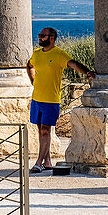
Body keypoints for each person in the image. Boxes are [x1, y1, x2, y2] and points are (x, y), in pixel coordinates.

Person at [26, 27, 94, 173]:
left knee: (45, 130)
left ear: (52, 38)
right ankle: (48, 161)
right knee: (41, 131)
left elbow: (73, 64)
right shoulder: (37, 54)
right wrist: (33, 80)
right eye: (39, 35)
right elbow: (29, 65)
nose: (39, 38)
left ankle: (39, 163)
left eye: (43, 36)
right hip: (37, 99)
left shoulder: (58, 54)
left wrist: (87, 72)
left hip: (51, 100)